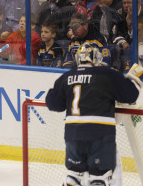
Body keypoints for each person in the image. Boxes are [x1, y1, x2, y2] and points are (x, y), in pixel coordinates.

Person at [45, 43, 141, 186]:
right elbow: (131, 95)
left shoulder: (67, 76)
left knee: (73, 176)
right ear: (96, 59)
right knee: (99, 179)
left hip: (73, 136)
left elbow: (52, 104)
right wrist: (137, 75)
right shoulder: (107, 74)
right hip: (100, 136)